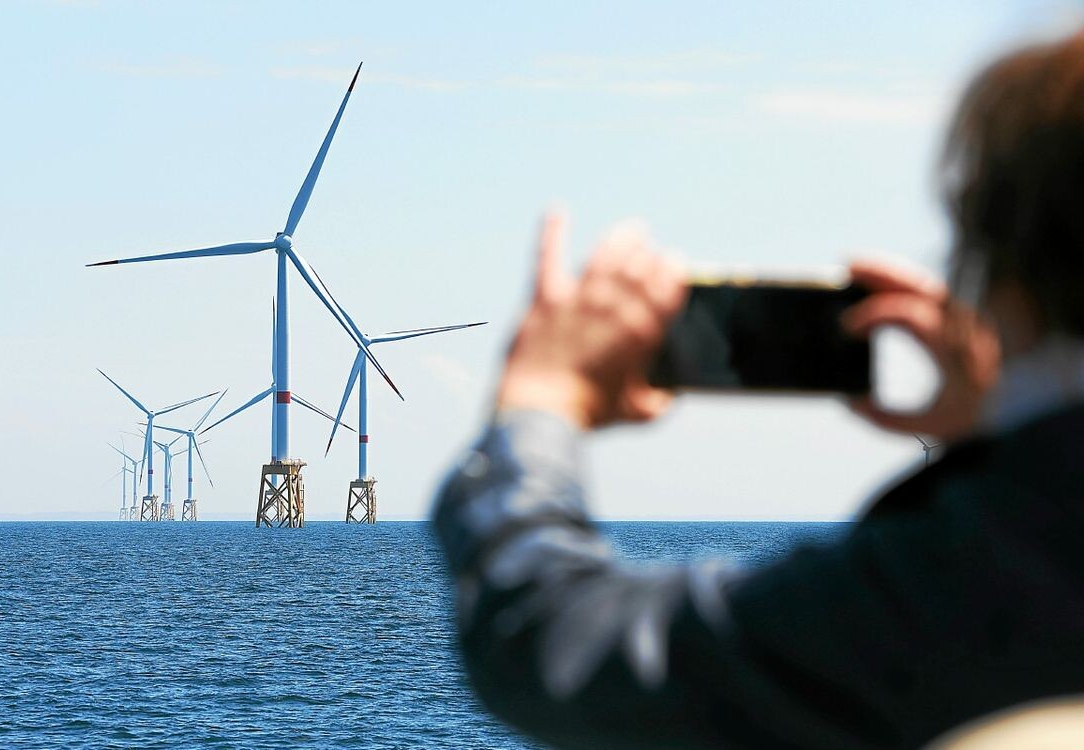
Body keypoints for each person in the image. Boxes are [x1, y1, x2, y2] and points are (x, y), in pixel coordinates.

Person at [432, 30, 1084, 750]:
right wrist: (993, 442)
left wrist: (540, 405)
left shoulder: (984, 571)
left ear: (1010, 277)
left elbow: (555, 643)